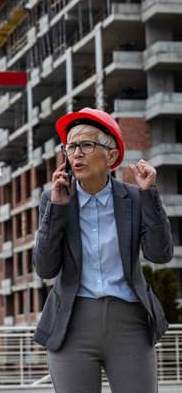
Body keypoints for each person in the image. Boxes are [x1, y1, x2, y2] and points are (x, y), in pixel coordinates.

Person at [33, 107, 173, 393]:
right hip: (72, 323)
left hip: (129, 323)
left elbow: (160, 254)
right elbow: (45, 269)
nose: (76, 154)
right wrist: (56, 210)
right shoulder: (55, 198)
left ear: (111, 156)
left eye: (86, 145)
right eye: (70, 147)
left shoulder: (134, 198)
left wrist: (150, 195)